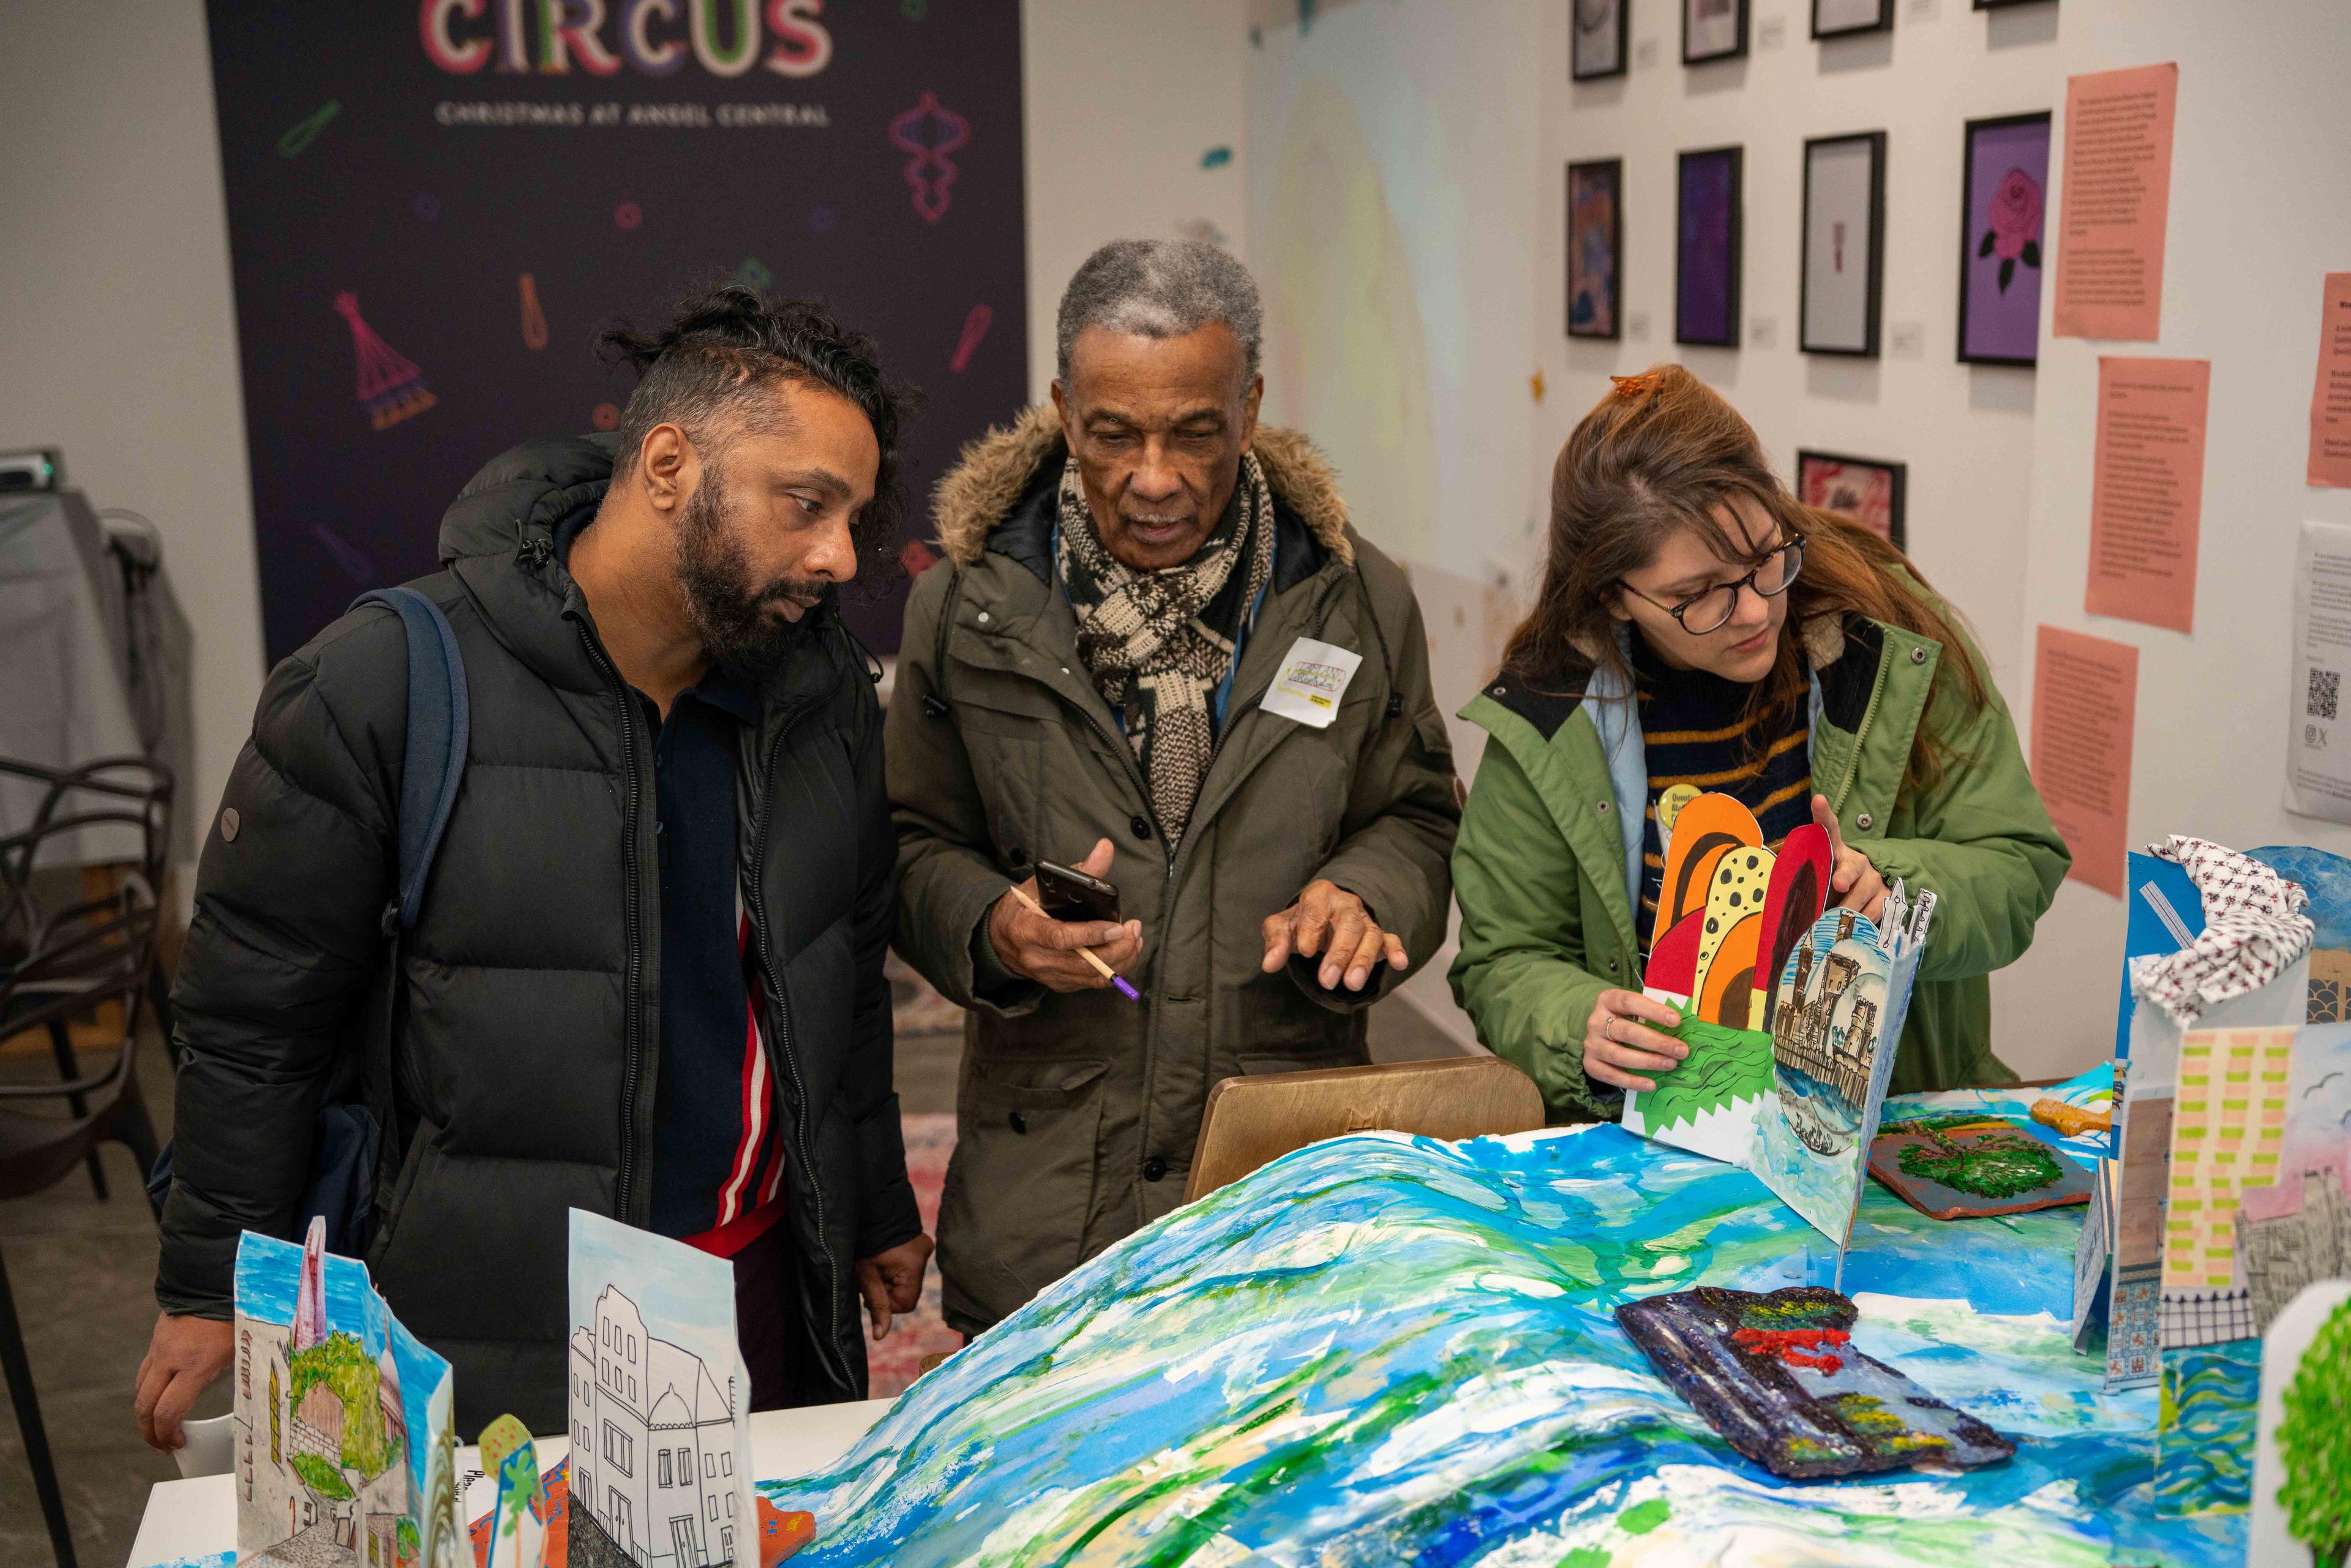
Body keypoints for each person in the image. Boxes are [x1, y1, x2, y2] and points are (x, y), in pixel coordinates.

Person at [135, 286, 933, 1447]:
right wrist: (211, 1283)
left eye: (854, 516)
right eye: (806, 504)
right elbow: (254, 1019)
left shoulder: (818, 696)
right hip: (493, 1317)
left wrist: (875, 1202)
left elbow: (842, 975)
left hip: (757, 1282)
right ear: (668, 465)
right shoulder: (379, 683)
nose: (840, 556)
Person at [889, 239, 1461, 1332]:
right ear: (1065, 412)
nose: (1154, 478)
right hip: (1050, 1201)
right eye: (1115, 434)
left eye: (1195, 432)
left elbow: (1419, 816)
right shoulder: (968, 608)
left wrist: (1368, 893)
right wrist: (995, 928)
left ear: (1249, 412)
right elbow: (910, 842)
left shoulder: (1356, 602)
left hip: (1279, 1192)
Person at [1449, 365, 2068, 1121]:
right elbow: (1505, 958)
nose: (1751, 611)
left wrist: (1891, 889)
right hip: (1661, 1142)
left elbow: (2017, 861)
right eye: (1697, 595)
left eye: (1765, 559)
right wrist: (1579, 1021)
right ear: (1613, 594)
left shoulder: (1889, 644)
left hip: (1888, 1125)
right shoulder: (1551, 714)